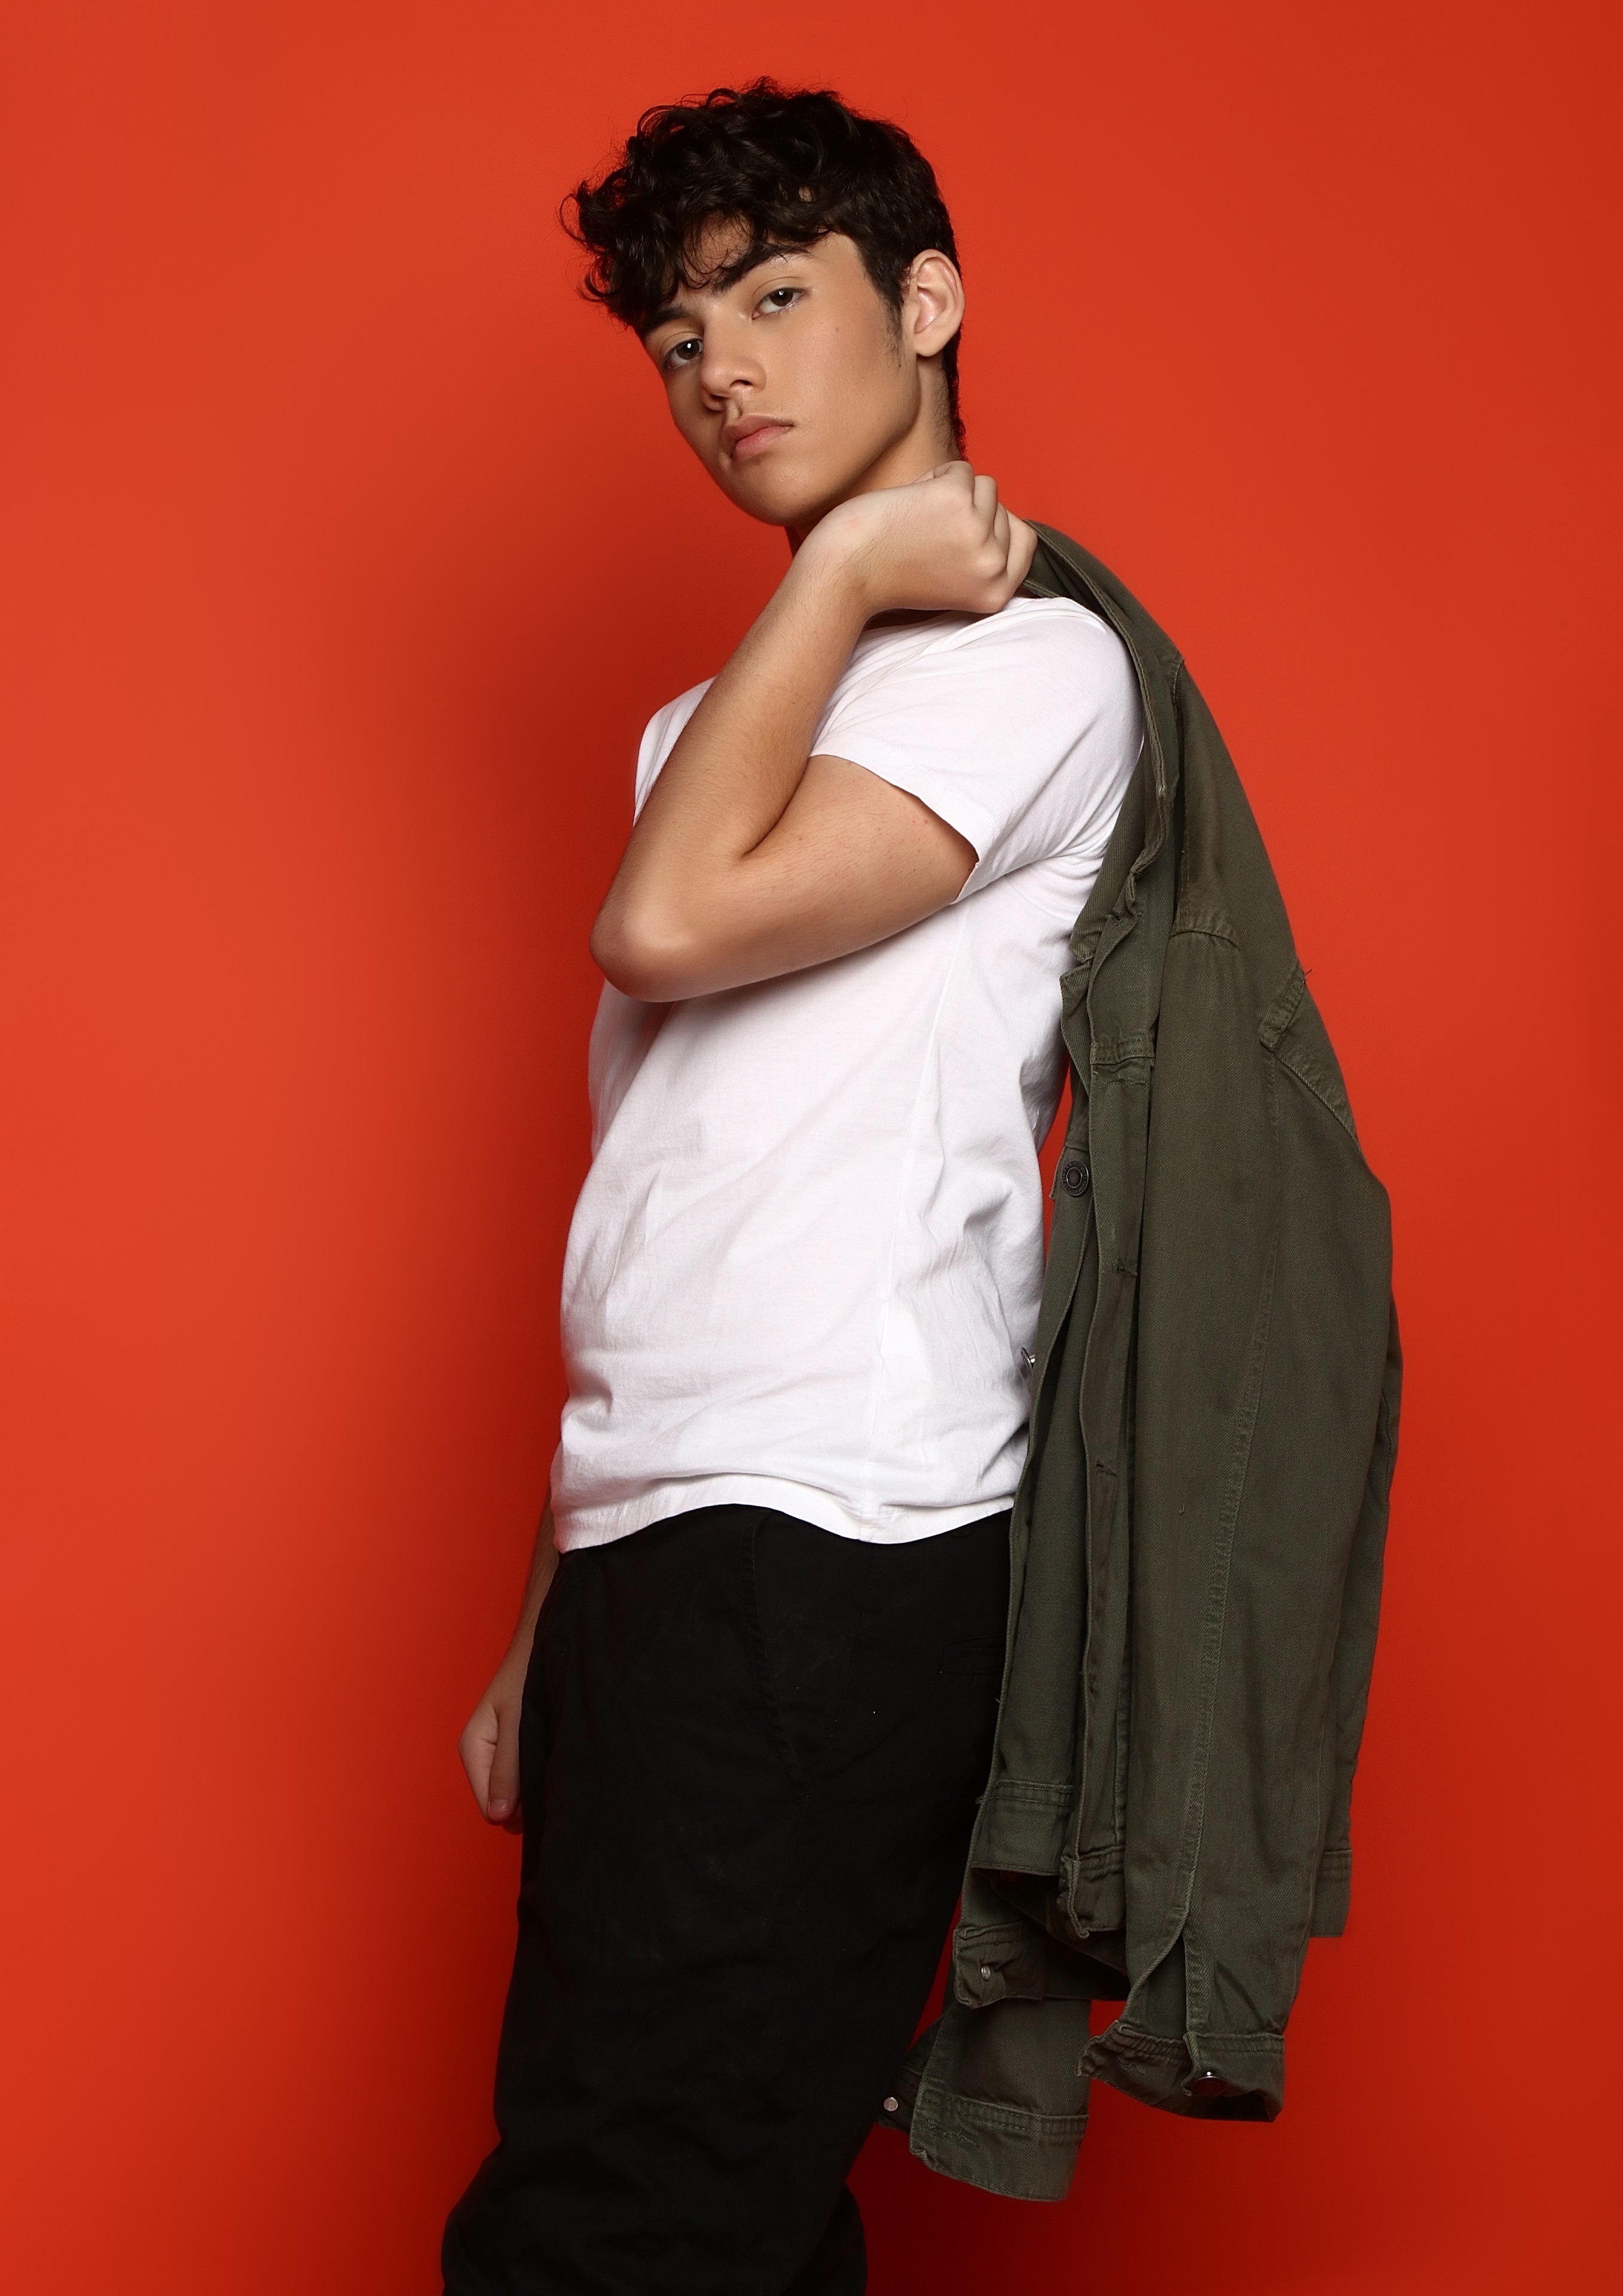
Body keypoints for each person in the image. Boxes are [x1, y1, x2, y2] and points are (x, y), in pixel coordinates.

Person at [442, 80, 1144, 2294]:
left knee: (630, 2217)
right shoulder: (710, 730)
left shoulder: (1036, 668)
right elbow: (686, 1172)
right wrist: (561, 1592)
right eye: (676, 337)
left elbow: (663, 929)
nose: (716, 373)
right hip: (676, 1533)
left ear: (925, 305)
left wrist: (845, 562)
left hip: (838, 1530)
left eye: (768, 298)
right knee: (707, 2198)